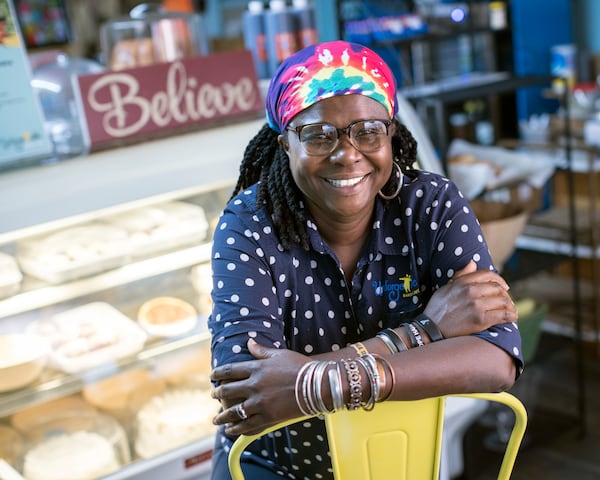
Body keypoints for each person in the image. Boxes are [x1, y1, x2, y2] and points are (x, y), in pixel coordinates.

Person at [208, 40, 522, 480]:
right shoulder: (250, 224)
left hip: (396, 458)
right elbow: (248, 395)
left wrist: (312, 384)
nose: (347, 153)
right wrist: (424, 332)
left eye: (368, 131)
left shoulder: (431, 206)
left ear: (390, 133)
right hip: (273, 469)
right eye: (318, 135)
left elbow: (496, 359)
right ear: (284, 145)